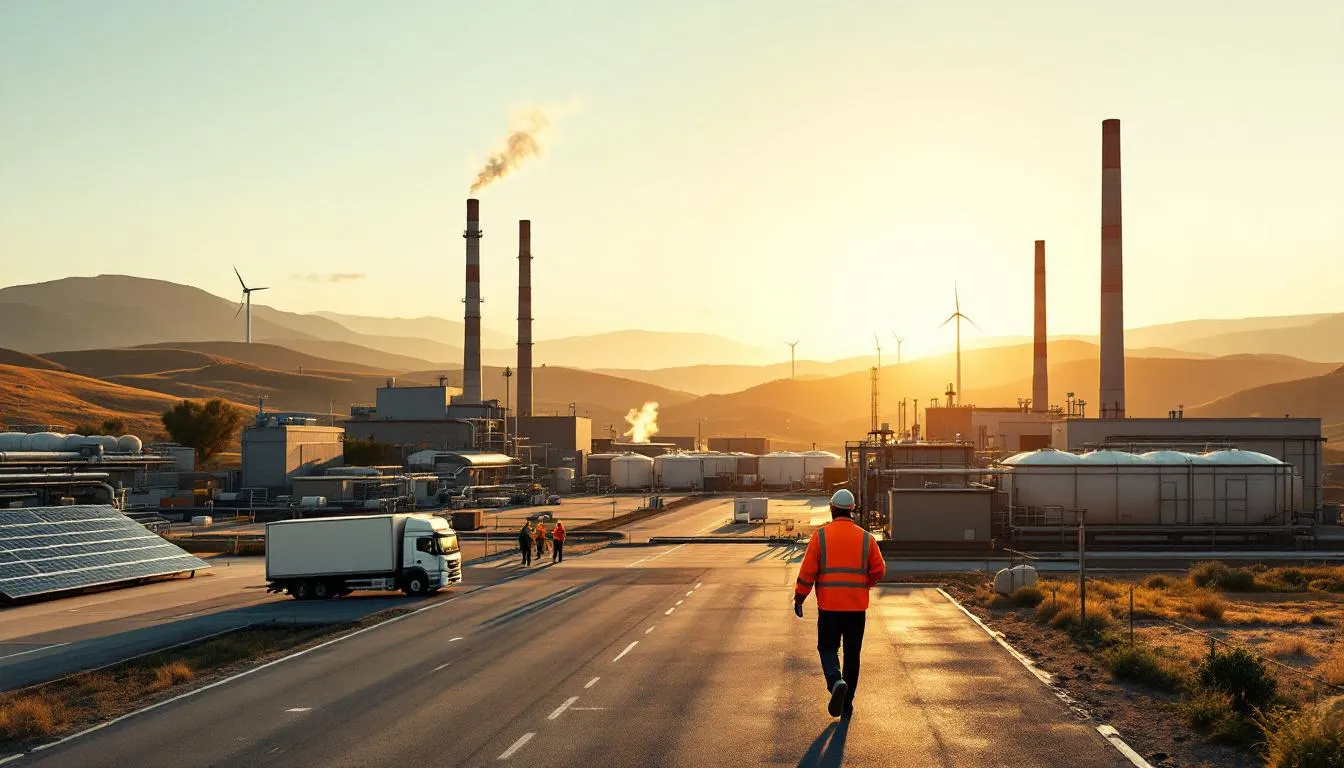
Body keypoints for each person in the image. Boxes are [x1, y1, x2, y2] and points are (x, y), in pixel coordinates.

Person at [793, 488, 885, 719]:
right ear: (852, 510)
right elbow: (879, 569)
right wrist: (866, 583)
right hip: (856, 609)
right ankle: (848, 704)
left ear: (832, 509)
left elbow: (808, 571)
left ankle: (835, 682)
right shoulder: (866, 538)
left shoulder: (821, 537)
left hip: (829, 608)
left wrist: (800, 596)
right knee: (852, 655)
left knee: (827, 648)